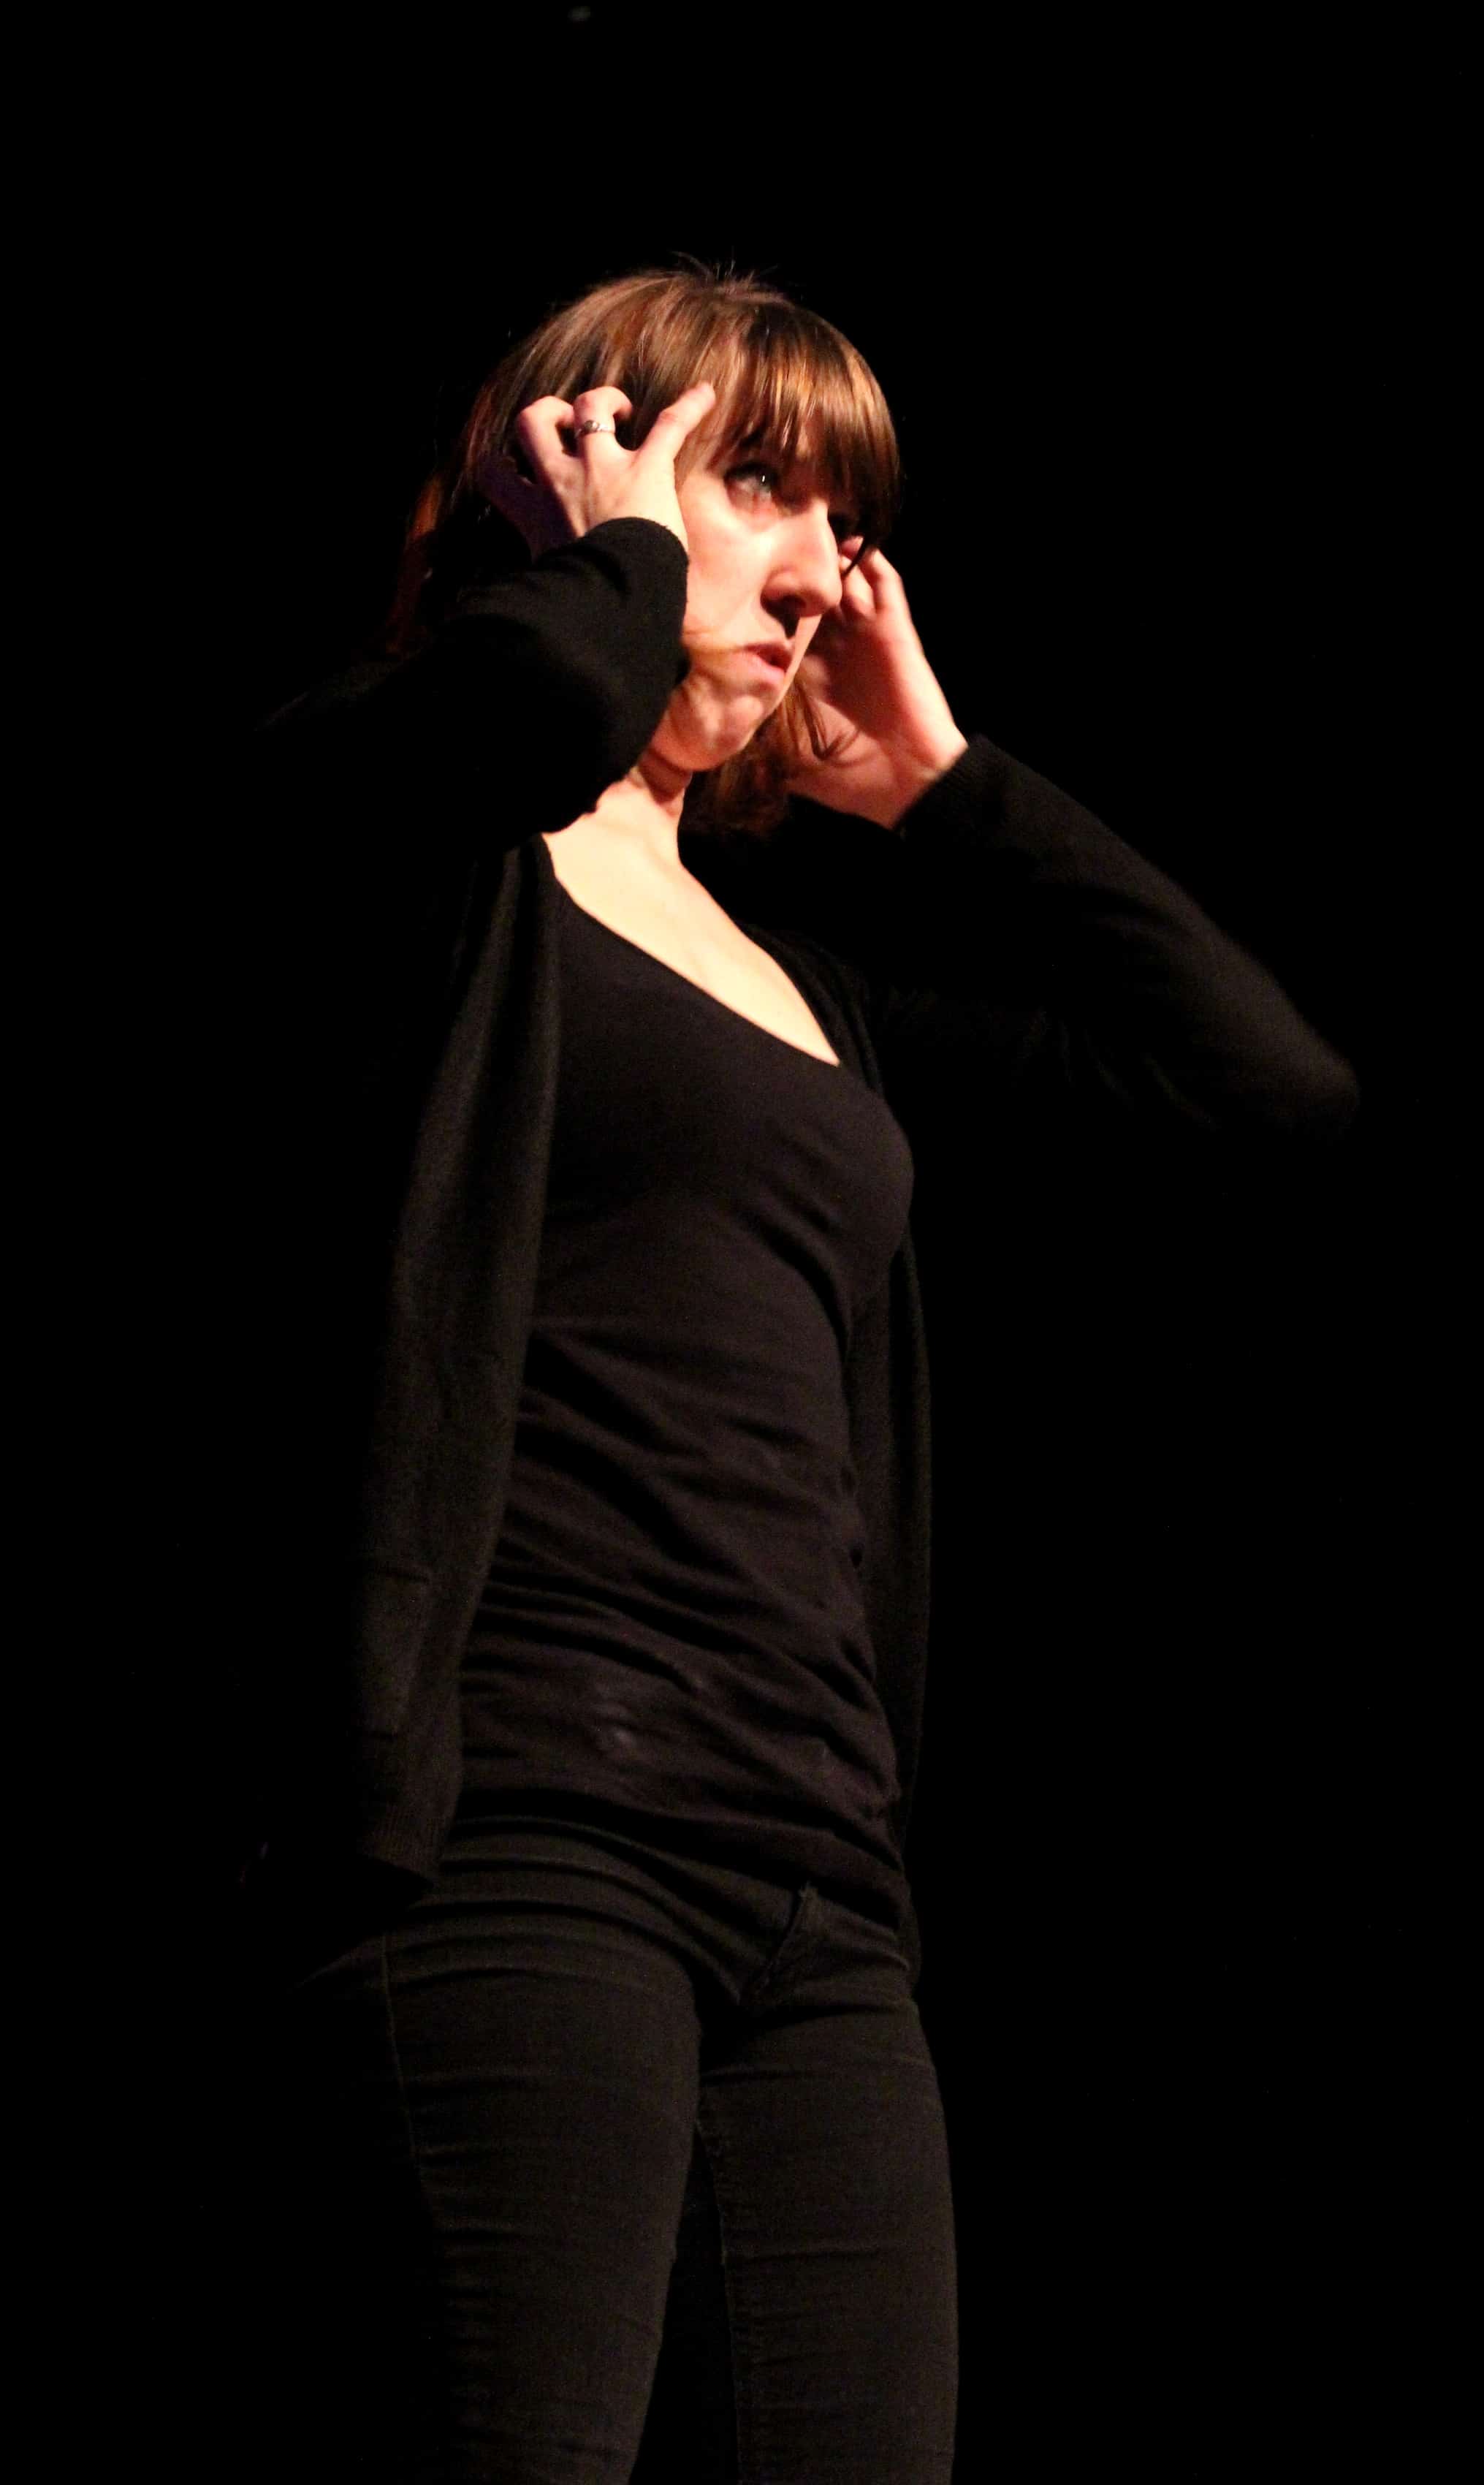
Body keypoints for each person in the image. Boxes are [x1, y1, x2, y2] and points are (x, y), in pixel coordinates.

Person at [226, 261, 1361, 2484]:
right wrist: (609, 576)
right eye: (761, 482)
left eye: (847, 519)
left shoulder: (811, 988)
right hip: (519, 1844)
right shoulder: (419, 838)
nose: (826, 569)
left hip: (822, 1897)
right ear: (577, 466)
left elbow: (1266, 1098)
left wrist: (945, 790)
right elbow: (496, 718)